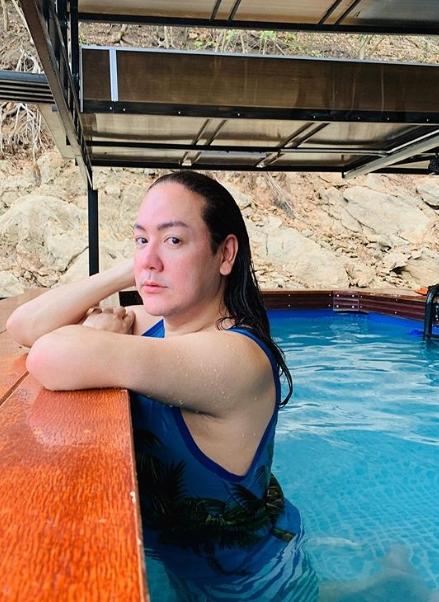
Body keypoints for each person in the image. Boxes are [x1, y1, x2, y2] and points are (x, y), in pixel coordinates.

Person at [6, 171, 318, 601]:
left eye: (174, 240)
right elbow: (24, 327)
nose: (150, 260)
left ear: (225, 253)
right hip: (191, 569)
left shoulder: (235, 358)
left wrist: (97, 335)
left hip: (253, 583)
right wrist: (130, 270)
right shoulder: (157, 324)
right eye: (140, 239)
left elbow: (49, 356)